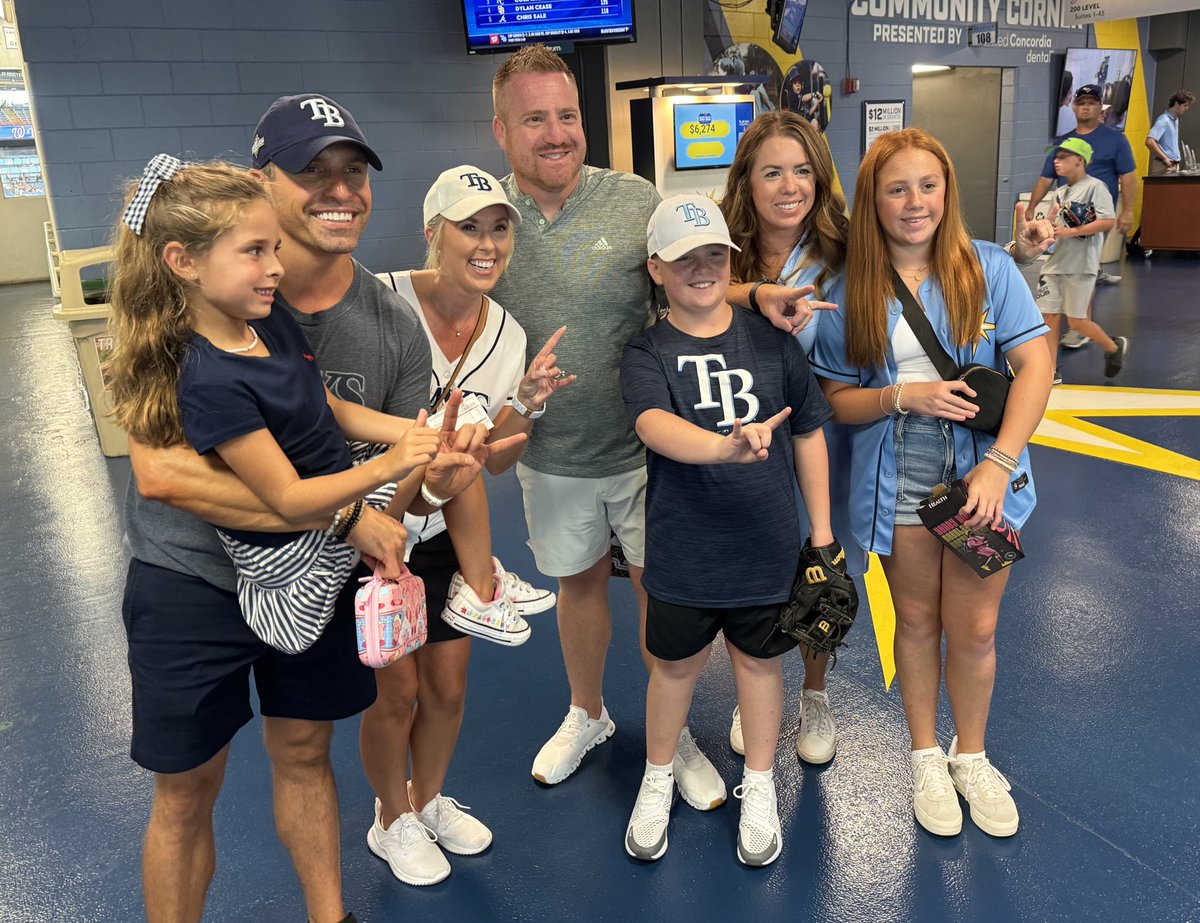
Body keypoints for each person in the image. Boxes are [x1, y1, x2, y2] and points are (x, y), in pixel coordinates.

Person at [116, 94, 494, 923]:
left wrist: (438, 458)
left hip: (318, 585)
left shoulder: (350, 323)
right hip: (192, 583)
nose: (338, 190)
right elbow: (164, 477)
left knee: (304, 749)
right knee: (185, 791)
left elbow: (393, 486)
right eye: (311, 172)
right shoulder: (187, 321)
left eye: (352, 173)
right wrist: (348, 513)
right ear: (264, 183)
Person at [488, 44, 724, 802]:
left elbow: (694, 288)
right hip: (549, 451)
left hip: (645, 444)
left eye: (566, 115)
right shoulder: (486, 220)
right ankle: (586, 712)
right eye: (534, 120)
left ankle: (673, 727)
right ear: (501, 132)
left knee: (663, 589)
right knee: (579, 585)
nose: (555, 133)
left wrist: (754, 301)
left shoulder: (634, 202)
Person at [811, 128, 1052, 839]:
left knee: (974, 627)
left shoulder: (989, 267)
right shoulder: (847, 286)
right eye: (896, 188)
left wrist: (1000, 464)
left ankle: (969, 754)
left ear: (947, 191)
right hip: (900, 464)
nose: (914, 202)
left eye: (927, 185)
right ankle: (923, 754)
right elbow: (836, 398)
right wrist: (899, 397)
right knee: (915, 623)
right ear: (872, 199)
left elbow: (1035, 367)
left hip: (983, 463)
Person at [362, 164, 574, 886]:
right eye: (469, 227)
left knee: (448, 687)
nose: (487, 243)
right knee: (398, 691)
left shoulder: (507, 332)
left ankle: (427, 798)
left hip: (447, 531)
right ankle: (390, 818)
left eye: (498, 227)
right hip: (375, 525)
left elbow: (496, 461)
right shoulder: (380, 299)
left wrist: (528, 401)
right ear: (433, 234)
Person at [620, 194, 837, 866]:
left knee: (759, 664)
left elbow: (807, 432)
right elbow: (652, 425)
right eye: (686, 258)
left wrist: (822, 534)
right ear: (657, 268)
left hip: (763, 548)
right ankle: (657, 778)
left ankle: (762, 783)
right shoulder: (646, 350)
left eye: (715, 254)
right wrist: (724, 447)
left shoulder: (773, 343)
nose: (703, 268)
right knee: (674, 668)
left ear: (731, 260)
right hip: (685, 550)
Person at [718, 109, 860, 766]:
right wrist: (754, 293)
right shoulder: (720, 249)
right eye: (771, 171)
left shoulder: (848, 250)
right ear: (746, 180)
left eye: (802, 170)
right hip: (741, 438)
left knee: (819, 566)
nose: (789, 185)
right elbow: (679, 287)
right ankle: (758, 686)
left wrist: (1026, 253)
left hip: (825, 434)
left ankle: (814, 690)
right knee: (752, 567)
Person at [1035, 137, 1127, 381]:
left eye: (1063, 157)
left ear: (1080, 160)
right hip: (1055, 265)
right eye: (1056, 157)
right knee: (1048, 318)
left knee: (1077, 322)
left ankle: (1113, 347)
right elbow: (1057, 225)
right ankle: (1050, 370)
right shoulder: (1061, 192)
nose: (1056, 161)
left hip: (1081, 266)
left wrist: (1073, 231)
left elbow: (1107, 221)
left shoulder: (1095, 187)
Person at [1027, 83, 1135, 287]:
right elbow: (1046, 177)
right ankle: (1070, 280)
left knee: (1088, 249)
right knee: (1070, 249)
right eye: (1081, 103)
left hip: (1098, 210)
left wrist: (1128, 211)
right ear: (1074, 107)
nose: (1086, 107)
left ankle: (1087, 277)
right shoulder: (1063, 142)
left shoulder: (1116, 140)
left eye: (1092, 103)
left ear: (1101, 107)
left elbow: (1128, 176)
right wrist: (1032, 207)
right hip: (1068, 209)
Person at [1146, 91, 1194, 175]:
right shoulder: (1163, 120)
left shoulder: (1175, 120)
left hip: (1174, 165)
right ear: (1176, 104)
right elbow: (1149, 141)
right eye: (1185, 105)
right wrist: (1164, 158)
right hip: (1163, 166)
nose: (1187, 108)